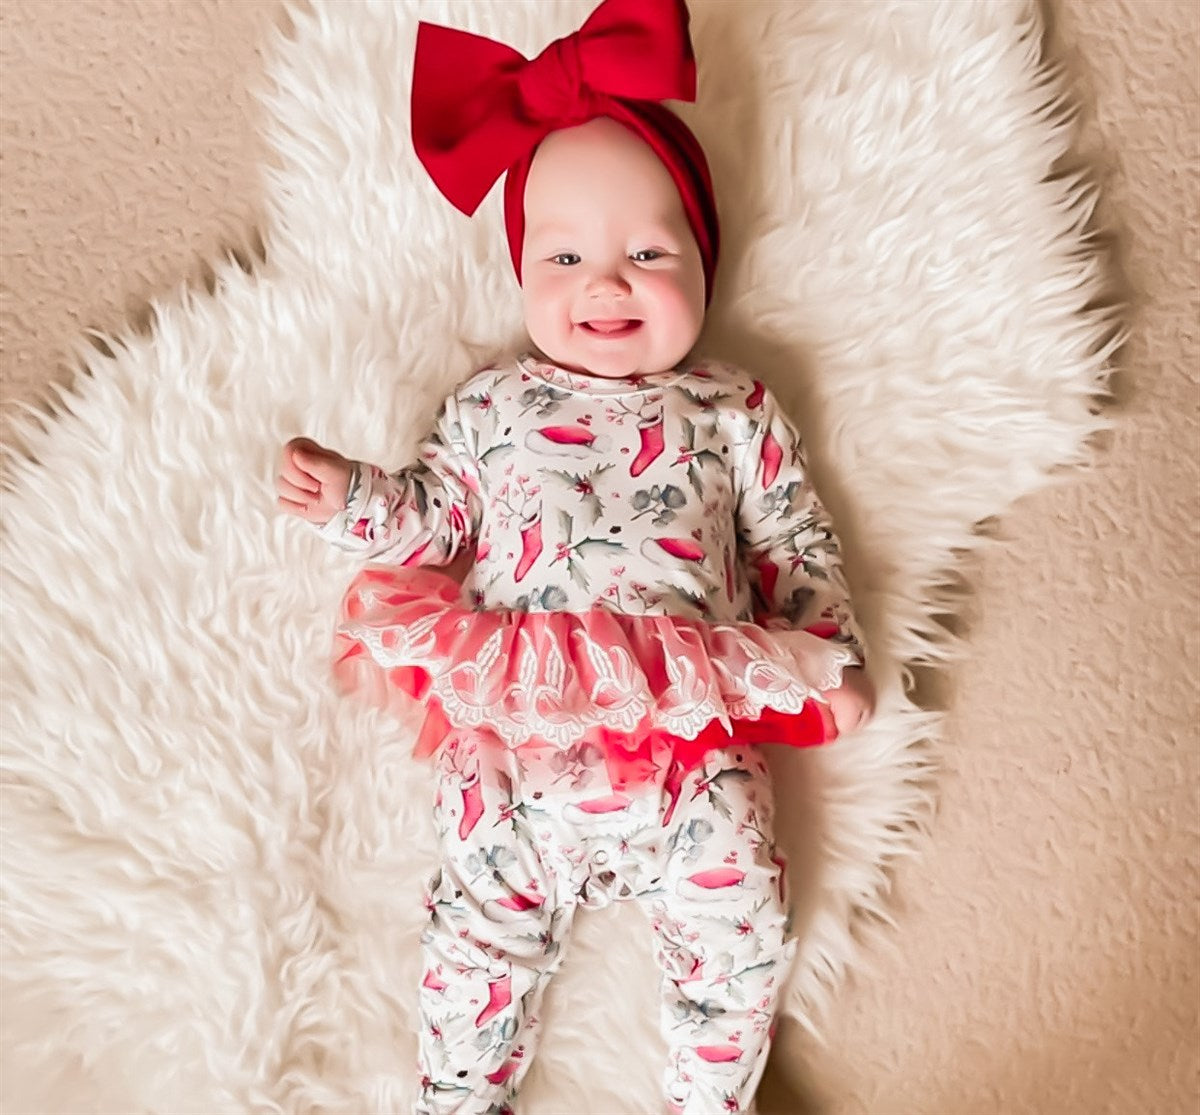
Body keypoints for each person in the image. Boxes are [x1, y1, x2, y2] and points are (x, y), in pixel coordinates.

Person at [275, 1, 873, 1111]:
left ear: (704, 261)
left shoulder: (732, 408)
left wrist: (830, 650)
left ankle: (712, 1097)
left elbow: (795, 536)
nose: (607, 282)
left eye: (648, 253)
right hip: (517, 744)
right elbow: (435, 523)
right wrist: (352, 497)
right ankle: (461, 1098)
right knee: (474, 942)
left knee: (739, 910)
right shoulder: (492, 406)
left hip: (692, 744)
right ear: (521, 270)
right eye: (565, 255)